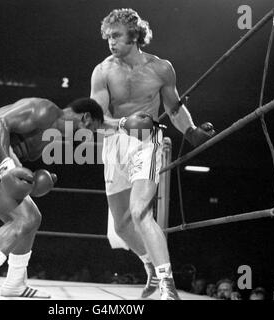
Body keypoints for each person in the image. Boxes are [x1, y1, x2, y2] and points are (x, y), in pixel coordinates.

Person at [90, 8, 215, 300]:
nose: (111, 42)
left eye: (117, 36)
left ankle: (167, 285)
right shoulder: (103, 71)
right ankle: (149, 267)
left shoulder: (161, 69)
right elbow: (97, 119)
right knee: (122, 227)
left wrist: (191, 131)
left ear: (134, 35)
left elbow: (173, 108)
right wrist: (123, 122)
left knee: (140, 211)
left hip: (148, 140)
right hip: (114, 143)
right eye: (108, 36)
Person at [0, 97, 104, 300]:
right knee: (21, 218)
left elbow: (17, 157)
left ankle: (15, 284)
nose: (87, 136)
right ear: (85, 118)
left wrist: (37, 181)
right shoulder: (45, 110)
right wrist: (6, 167)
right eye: (90, 129)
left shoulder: (55, 137)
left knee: (32, 216)